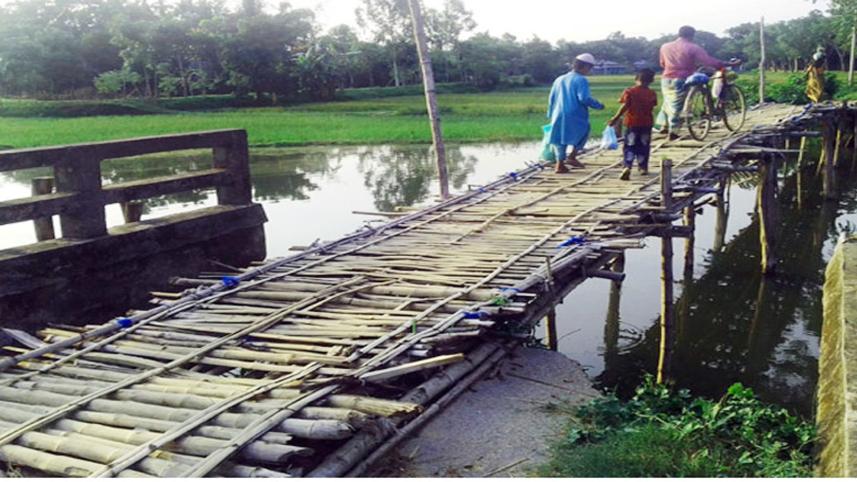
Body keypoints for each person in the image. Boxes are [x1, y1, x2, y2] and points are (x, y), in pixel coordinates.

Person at [656, 26, 735, 140]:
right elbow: (708, 61)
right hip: (683, 78)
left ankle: (664, 125)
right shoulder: (693, 47)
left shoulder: (665, 46)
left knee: (668, 101)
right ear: (692, 35)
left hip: (666, 78)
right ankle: (673, 131)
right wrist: (725, 63)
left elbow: (662, 63)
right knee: (678, 104)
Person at [547, 53, 605, 174]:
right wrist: (598, 105)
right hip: (574, 113)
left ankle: (560, 164)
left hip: (558, 113)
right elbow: (584, 98)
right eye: (590, 68)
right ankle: (572, 156)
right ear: (585, 67)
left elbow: (551, 98)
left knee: (559, 139)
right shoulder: (581, 80)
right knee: (584, 131)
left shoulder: (559, 79)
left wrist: (550, 113)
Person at [608, 68, 658, 180]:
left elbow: (624, 105)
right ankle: (643, 167)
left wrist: (615, 118)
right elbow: (653, 105)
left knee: (630, 145)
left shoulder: (629, 91)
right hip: (646, 123)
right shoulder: (652, 93)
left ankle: (627, 166)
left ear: (636, 79)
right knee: (644, 145)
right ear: (651, 81)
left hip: (632, 123)